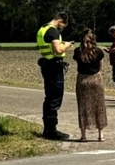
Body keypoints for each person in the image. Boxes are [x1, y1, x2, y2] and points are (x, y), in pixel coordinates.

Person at [36, 12, 73, 140]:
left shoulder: (43, 29)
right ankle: (51, 130)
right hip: (54, 67)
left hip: (47, 65)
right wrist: (67, 45)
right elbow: (57, 50)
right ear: (61, 21)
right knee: (55, 98)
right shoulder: (53, 31)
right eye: (63, 25)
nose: (62, 28)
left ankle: (48, 128)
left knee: (49, 97)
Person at [73, 29, 108, 142]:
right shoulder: (98, 51)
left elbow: (78, 63)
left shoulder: (78, 51)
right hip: (96, 79)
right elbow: (100, 66)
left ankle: (83, 135)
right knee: (99, 106)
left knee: (83, 107)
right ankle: (101, 134)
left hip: (82, 79)